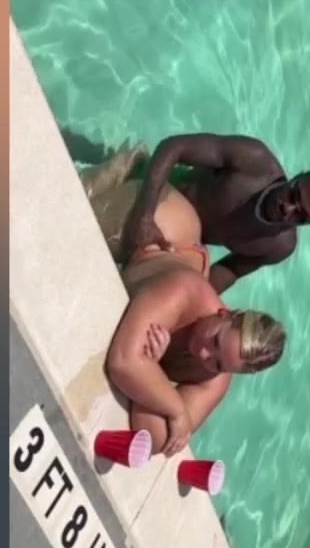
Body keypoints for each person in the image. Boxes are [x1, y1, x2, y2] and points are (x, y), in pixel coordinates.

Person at [102, 166, 286, 456]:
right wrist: (175, 408)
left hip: (180, 261)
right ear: (225, 313)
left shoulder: (214, 380)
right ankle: (125, 166)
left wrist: (151, 367)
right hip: (162, 228)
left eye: (218, 363)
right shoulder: (183, 291)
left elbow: (155, 439)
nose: (203, 354)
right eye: (215, 341)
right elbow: (123, 362)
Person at [82, 133, 310, 294]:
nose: (288, 210)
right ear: (302, 174)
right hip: (141, 188)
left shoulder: (278, 246)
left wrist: (195, 307)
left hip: (167, 242)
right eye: (294, 195)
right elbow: (174, 147)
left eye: (301, 217)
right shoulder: (254, 162)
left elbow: (228, 272)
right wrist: (145, 214)